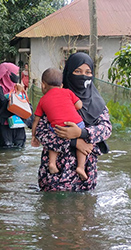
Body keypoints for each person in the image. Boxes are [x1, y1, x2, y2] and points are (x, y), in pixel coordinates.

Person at [33, 52, 111, 191]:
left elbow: (106, 129)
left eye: (88, 72)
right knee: (53, 210)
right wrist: (74, 141)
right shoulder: (54, 98)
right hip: (55, 177)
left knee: (84, 210)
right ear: (68, 73)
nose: (83, 76)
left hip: (86, 176)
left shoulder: (98, 104)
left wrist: (82, 133)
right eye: (77, 71)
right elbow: (41, 132)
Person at [31, 68, 89, 180]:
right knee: (83, 141)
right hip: (76, 124)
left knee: (53, 138)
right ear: (61, 85)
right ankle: (81, 167)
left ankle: (52, 163)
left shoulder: (42, 100)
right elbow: (79, 105)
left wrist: (33, 136)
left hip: (57, 127)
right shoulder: (68, 92)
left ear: (43, 85)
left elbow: (36, 121)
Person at [0, 62, 27, 148]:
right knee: (5, 151)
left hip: (18, 126)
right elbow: (4, 105)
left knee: (19, 151)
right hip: (5, 127)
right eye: (15, 73)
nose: (17, 75)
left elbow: (25, 105)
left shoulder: (16, 87)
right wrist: (17, 93)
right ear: (7, 74)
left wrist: (21, 93)